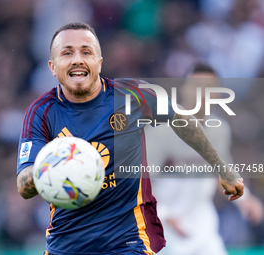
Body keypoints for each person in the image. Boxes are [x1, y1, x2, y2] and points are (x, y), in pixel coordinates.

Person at [16, 22, 244, 255]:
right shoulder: (41, 112)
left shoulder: (132, 96)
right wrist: (53, 170)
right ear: (52, 67)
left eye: (86, 52)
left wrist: (221, 167)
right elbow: (24, 185)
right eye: (67, 53)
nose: (77, 59)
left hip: (127, 241)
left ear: (99, 62)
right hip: (66, 243)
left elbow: (181, 119)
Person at [145, 62, 263, 255]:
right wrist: (165, 215)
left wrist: (245, 199)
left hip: (203, 231)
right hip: (164, 232)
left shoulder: (219, 130)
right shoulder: (161, 130)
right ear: (184, 89)